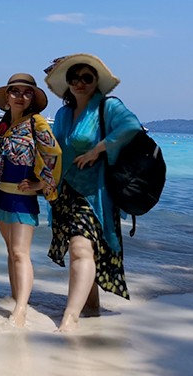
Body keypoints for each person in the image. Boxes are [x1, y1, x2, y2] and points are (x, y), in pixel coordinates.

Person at [43, 54, 141, 332]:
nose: (80, 83)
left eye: (87, 77)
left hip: (97, 193)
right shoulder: (63, 114)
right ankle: (91, 309)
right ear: (67, 83)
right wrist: (44, 184)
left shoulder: (108, 107)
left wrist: (97, 150)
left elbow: (131, 126)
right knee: (83, 252)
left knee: (80, 249)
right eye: (74, 78)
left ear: (96, 81)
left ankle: (69, 319)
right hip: (67, 192)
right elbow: (57, 153)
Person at [0, 73, 61, 327]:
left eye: (27, 92)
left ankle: (20, 310)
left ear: (33, 99)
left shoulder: (36, 122)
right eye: (15, 92)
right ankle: (17, 298)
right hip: (2, 195)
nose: (20, 97)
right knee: (11, 251)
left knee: (20, 252)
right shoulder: (4, 125)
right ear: (7, 97)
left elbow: (54, 153)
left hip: (23, 198)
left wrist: (43, 184)